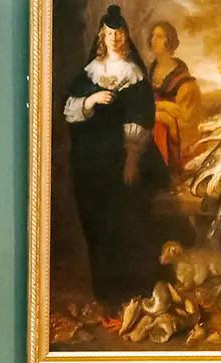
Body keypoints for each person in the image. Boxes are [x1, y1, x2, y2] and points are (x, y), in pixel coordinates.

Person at [64, 5, 167, 304]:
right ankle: (106, 293)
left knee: (125, 223)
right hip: (91, 163)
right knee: (96, 224)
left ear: (125, 37)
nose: (114, 39)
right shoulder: (89, 73)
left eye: (119, 34)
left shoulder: (134, 77)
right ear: (101, 37)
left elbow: (141, 119)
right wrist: (91, 100)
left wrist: (132, 161)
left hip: (121, 161)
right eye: (109, 34)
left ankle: (132, 291)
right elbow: (70, 111)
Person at [148, 21, 202, 172]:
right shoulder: (149, 71)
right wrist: (162, 110)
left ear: (169, 41)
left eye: (159, 36)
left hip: (171, 140)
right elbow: (139, 102)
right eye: (152, 36)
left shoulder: (185, 83)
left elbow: (185, 124)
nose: (153, 40)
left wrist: (170, 122)